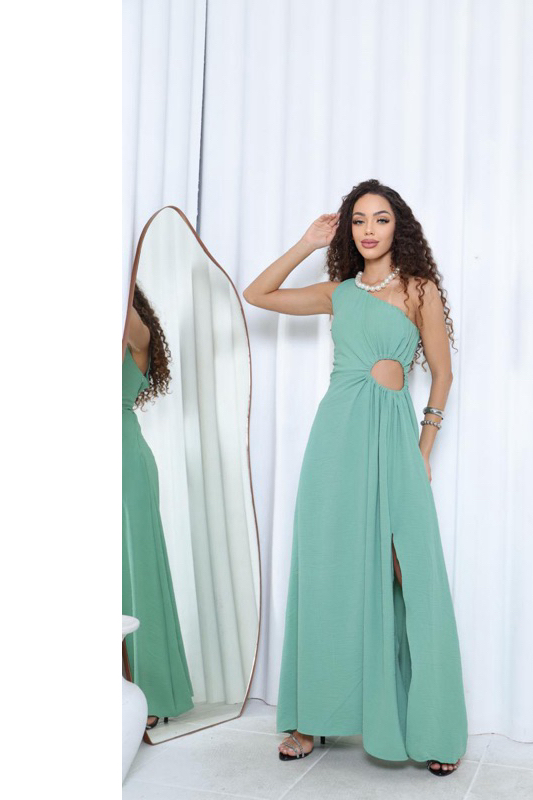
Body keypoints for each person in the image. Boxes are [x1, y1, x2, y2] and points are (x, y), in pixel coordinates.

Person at [243, 179, 468, 776]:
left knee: (411, 572)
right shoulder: (339, 293)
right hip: (335, 442)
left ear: (400, 227)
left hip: (394, 442)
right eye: (359, 220)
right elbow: (257, 293)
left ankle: (433, 726)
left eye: (381, 219)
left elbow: (442, 374)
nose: (369, 230)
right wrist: (305, 243)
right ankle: (308, 718)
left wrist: (423, 449)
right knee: (328, 573)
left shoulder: (418, 289)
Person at [122, 283, 194, 731]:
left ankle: (150, 691)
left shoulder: (138, 334)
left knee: (138, 573)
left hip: (123, 460)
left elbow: (127, 322)